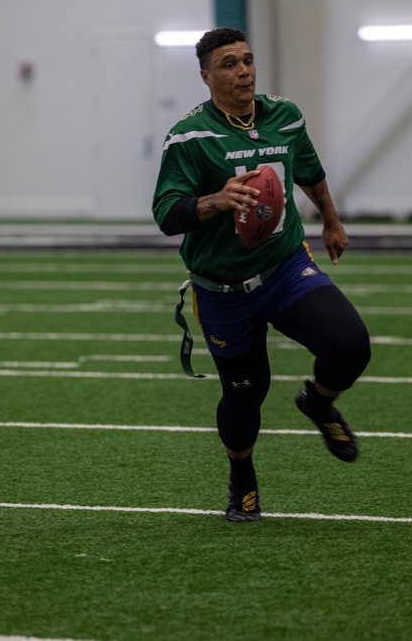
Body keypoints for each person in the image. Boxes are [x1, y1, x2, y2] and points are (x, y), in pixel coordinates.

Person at [151, 28, 371, 522]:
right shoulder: (189, 137)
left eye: (248, 60)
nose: (244, 71)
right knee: (245, 395)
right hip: (224, 288)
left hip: (286, 266)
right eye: (229, 63)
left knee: (350, 344)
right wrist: (216, 200)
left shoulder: (284, 116)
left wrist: (331, 220)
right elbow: (167, 215)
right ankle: (242, 477)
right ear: (206, 76)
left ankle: (317, 403)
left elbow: (309, 171)